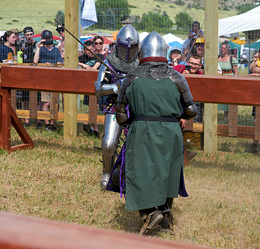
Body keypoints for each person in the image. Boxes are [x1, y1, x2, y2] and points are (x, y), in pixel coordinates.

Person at [115, 31, 197, 235]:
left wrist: (133, 118)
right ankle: (165, 213)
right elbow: (192, 110)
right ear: (164, 52)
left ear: (142, 52)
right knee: (168, 171)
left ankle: (151, 213)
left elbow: (120, 114)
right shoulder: (176, 76)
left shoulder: (132, 76)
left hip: (142, 130)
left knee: (138, 170)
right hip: (171, 131)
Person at [94, 24, 140, 190]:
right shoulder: (109, 62)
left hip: (136, 107)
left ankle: (132, 176)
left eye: (132, 47)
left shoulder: (141, 63)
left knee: (137, 145)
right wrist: (115, 87)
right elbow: (98, 88)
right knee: (108, 143)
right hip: (115, 105)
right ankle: (107, 172)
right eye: (125, 46)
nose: (128, 50)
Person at [34, 30, 63, 131]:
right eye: (44, 39)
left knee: (55, 103)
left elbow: (60, 62)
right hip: (44, 78)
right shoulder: (41, 50)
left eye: (48, 39)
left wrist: (52, 65)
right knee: (46, 102)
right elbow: (35, 61)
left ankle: (52, 122)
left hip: (55, 78)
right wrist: (38, 47)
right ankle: (46, 123)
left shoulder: (56, 50)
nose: (47, 41)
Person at [78, 40, 101, 138]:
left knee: (95, 106)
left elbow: (94, 68)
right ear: (84, 50)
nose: (89, 52)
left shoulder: (98, 57)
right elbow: (74, 60)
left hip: (96, 85)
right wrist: (83, 65)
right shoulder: (82, 58)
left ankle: (89, 125)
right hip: (87, 86)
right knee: (92, 107)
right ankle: (93, 128)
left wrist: (87, 68)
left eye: (91, 49)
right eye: (87, 50)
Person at [218, 40, 238, 120]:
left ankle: (226, 116)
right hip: (220, 79)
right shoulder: (217, 57)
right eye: (221, 48)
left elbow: (236, 71)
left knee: (228, 98)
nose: (221, 49)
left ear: (227, 49)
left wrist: (235, 81)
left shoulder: (232, 59)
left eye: (223, 48)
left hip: (229, 79)